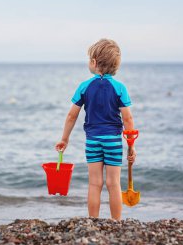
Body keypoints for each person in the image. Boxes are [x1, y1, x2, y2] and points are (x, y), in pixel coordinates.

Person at [55, 39, 136, 220]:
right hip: (113, 140)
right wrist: (131, 145)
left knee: (94, 183)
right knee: (113, 183)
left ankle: (93, 221)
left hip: (92, 140)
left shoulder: (84, 87)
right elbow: (128, 119)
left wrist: (65, 139)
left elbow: (71, 116)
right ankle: (116, 222)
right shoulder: (119, 87)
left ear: (93, 62)